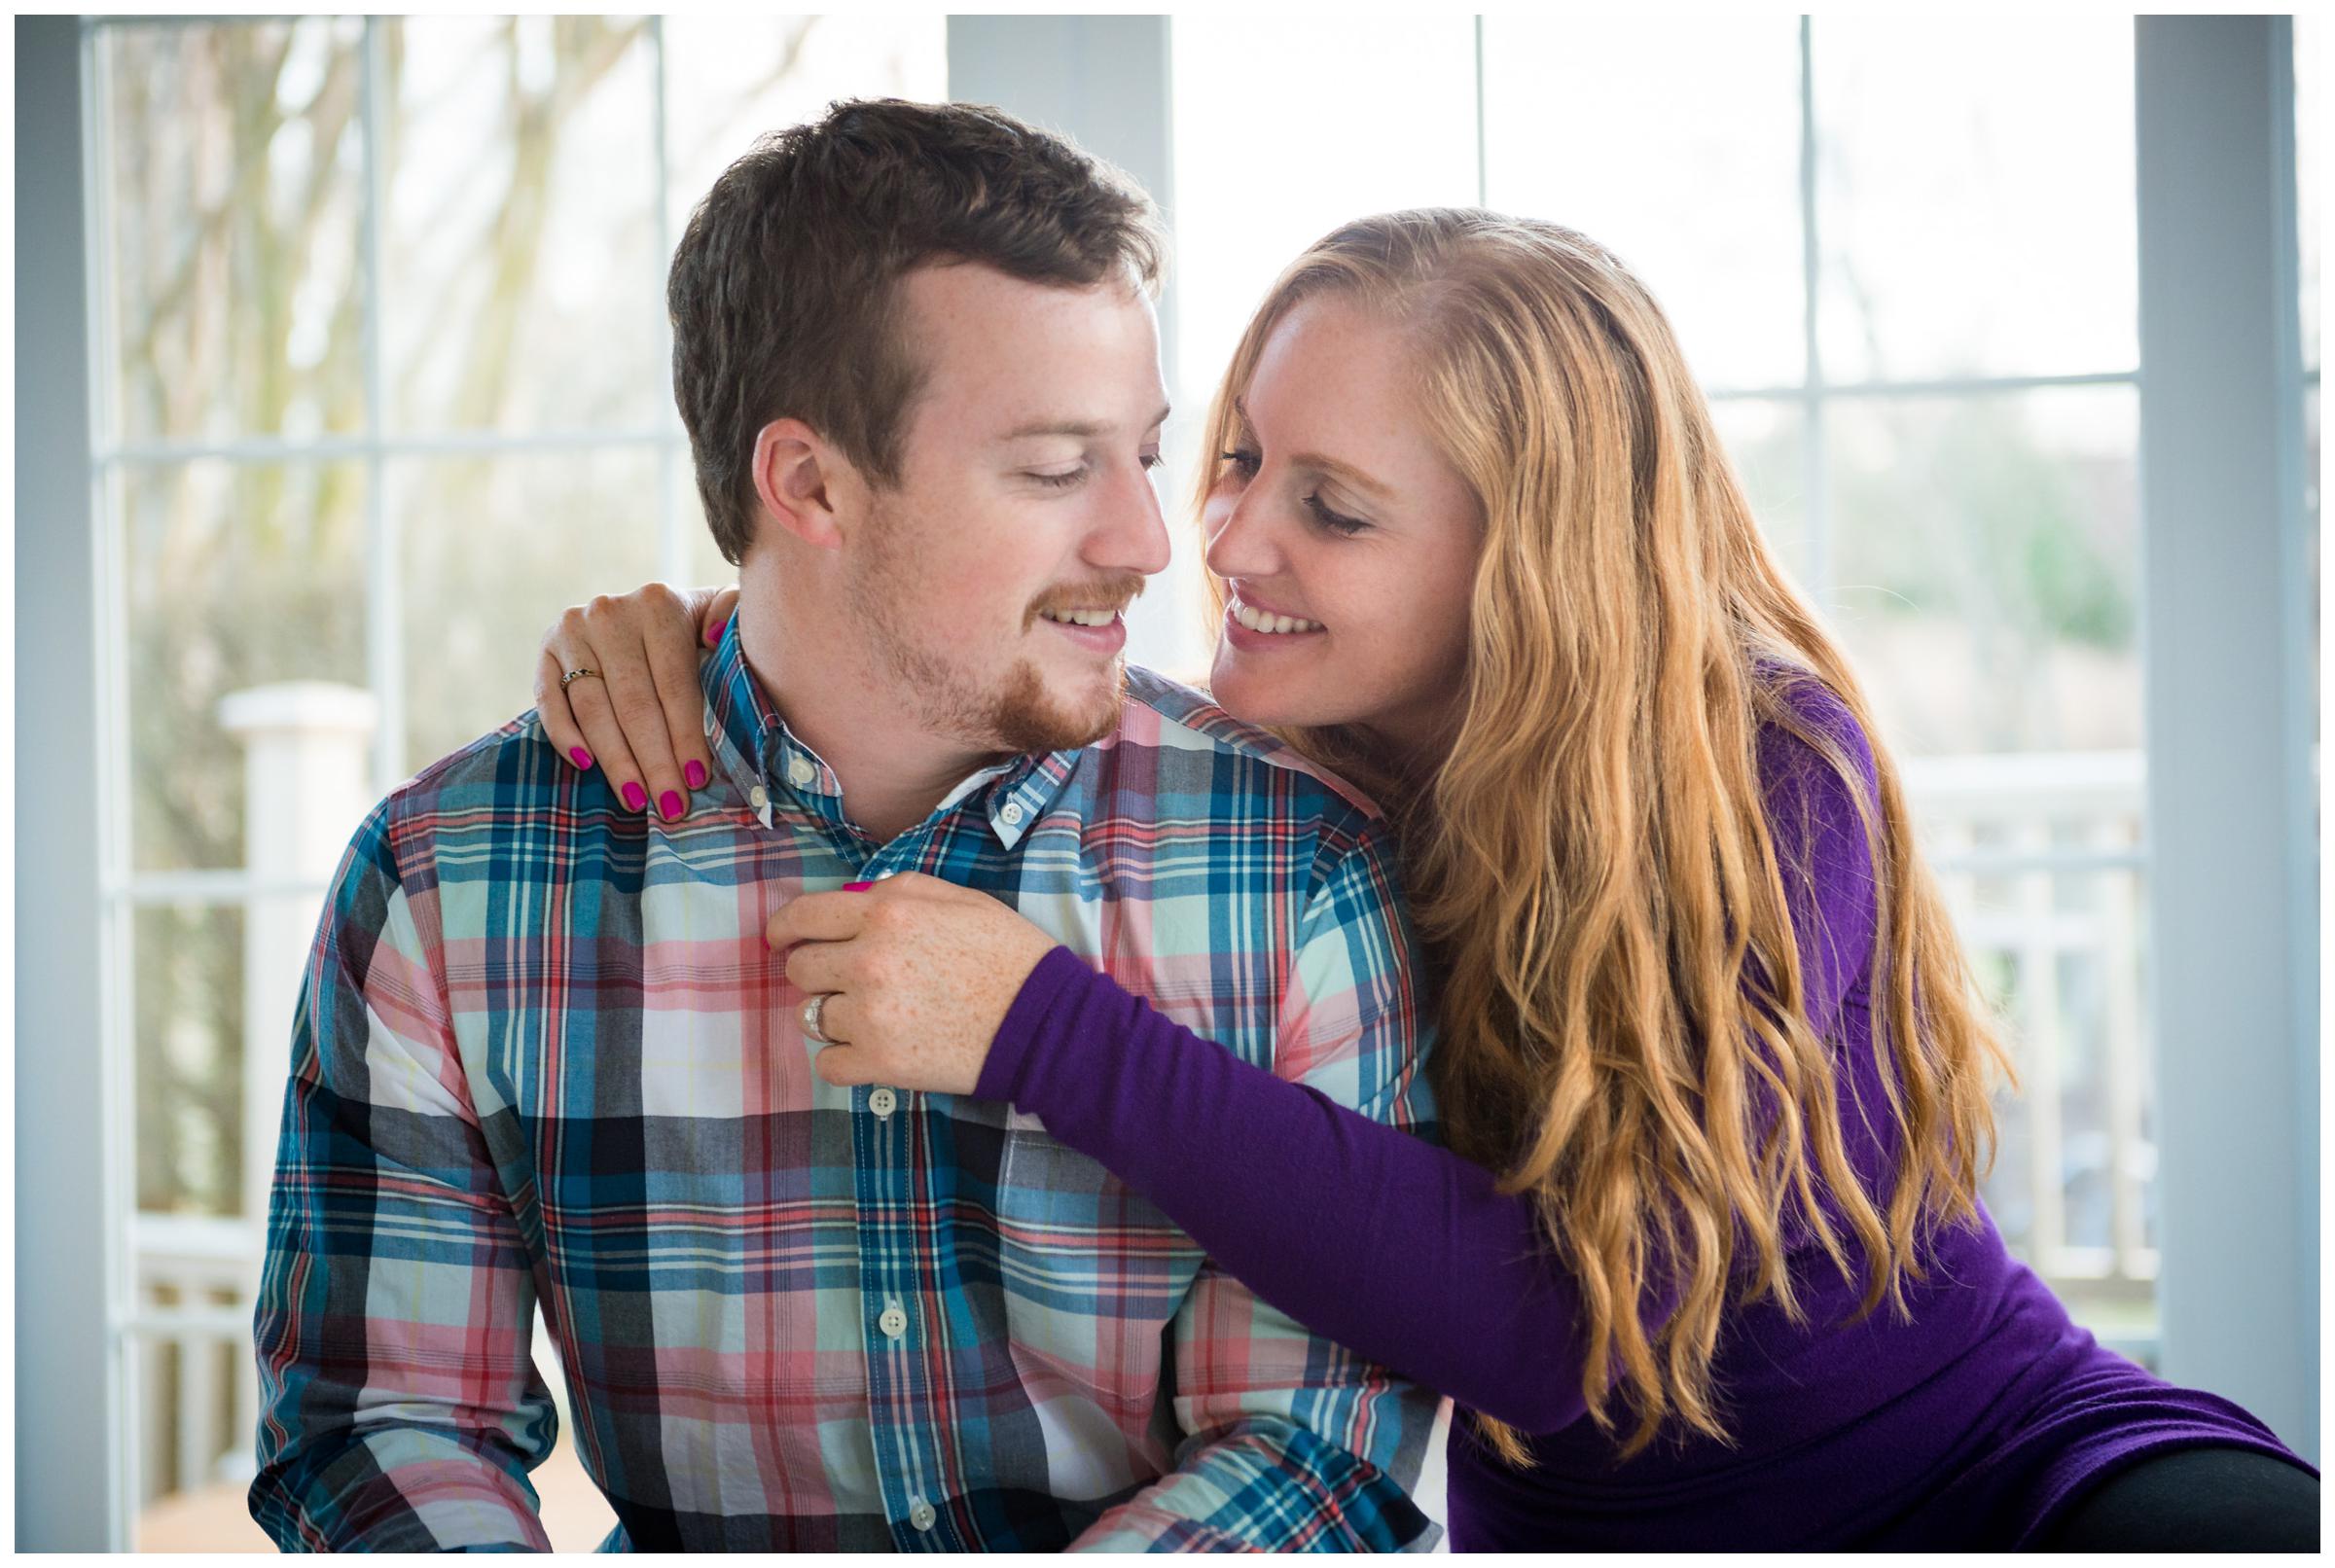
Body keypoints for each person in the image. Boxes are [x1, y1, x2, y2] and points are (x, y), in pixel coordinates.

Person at [539, 208, 2321, 1550]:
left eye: (1336, 506)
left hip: (2007, 1481)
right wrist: (717, 639)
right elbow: (924, 653)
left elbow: (1572, 1335)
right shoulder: (1286, 778)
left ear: (1529, 558)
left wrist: (1037, 1030)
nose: (1222, 539)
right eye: (1235, 457)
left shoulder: (1762, 771)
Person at [248, 99, 1446, 1553]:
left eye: (1146, 450)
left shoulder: (1296, 867)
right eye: (1059, 467)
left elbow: (1315, 1448)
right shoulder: (455, 884)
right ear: (809, 484)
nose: (1149, 537)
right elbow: (379, 1425)